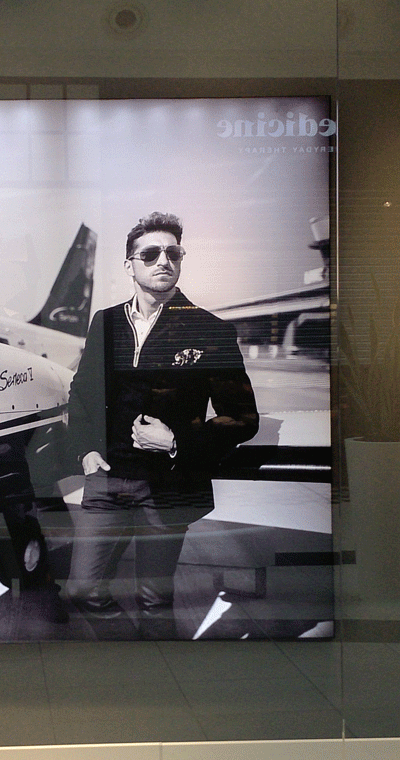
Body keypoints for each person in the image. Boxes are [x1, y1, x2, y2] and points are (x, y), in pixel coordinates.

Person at [66, 211, 259, 638]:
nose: (163, 261)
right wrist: (86, 450)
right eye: (150, 254)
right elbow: (82, 393)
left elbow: (243, 418)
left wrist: (176, 441)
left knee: (154, 601)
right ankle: (128, 650)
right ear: (129, 264)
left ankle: (156, 667)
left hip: (169, 484)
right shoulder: (106, 322)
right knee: (83, 589)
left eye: (173, 253)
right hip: (107, 477)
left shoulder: (210, 330)